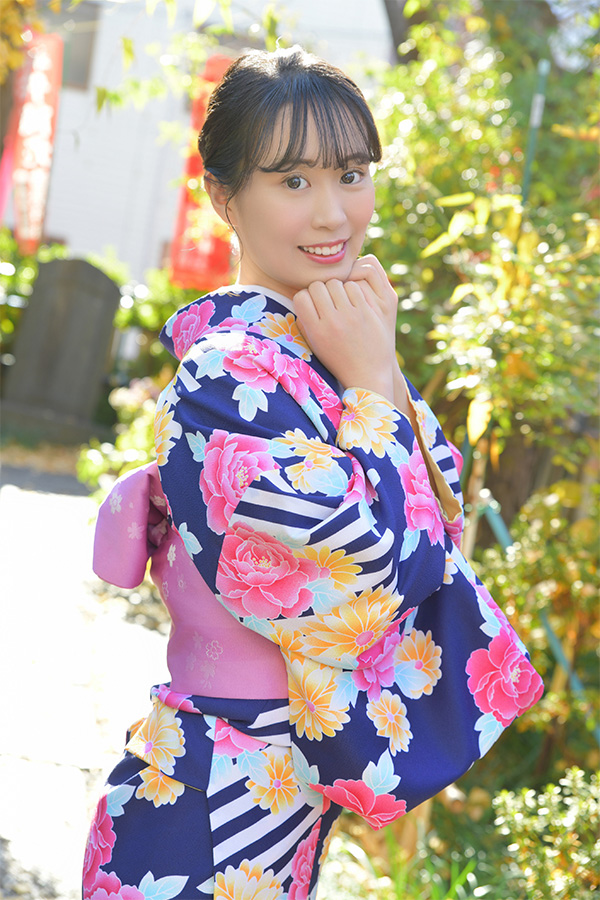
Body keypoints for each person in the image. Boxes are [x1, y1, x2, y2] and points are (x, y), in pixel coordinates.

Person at [83, 46, 543, 900]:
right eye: (293, 181)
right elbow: (373, 576)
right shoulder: (225, 375)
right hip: (214, 795)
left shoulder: (331, 349)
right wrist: (372, 385)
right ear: (223, 197)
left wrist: (375, 372)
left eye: (352, 174)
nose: (333, 212)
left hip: (280, 793)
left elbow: (441, 516)